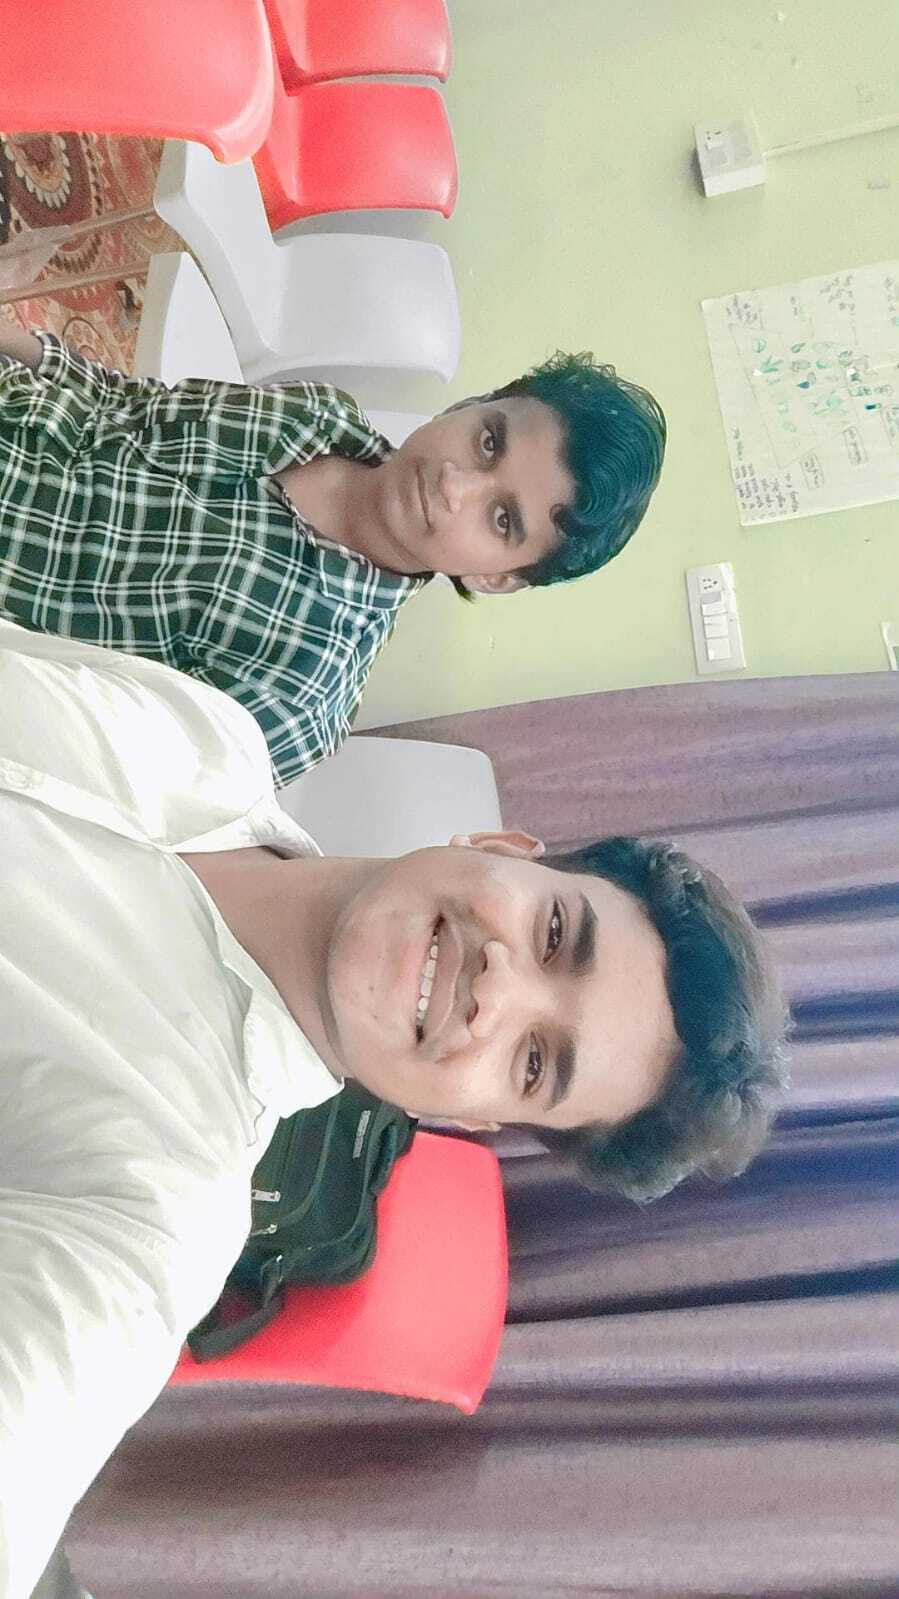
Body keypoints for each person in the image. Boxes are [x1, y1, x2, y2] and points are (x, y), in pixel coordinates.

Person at [0, 619, 787, 1597]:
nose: (497, 989)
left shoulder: (156, 1202)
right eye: (552, 933)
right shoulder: (211, 737)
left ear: (475, 1118)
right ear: (499, 846)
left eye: (533, 1061)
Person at [0, 319, 666, 785]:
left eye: (500, 519)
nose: (454, 484)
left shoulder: (303, 691)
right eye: (488, 441)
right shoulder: (321, 415)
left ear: (497, 578)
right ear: (468, 405)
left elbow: (74, 760)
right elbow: (128, 402)